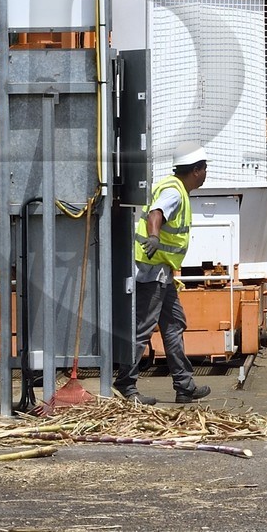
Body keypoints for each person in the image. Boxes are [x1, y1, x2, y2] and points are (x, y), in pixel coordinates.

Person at [115, 147, 212, 405]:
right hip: (152, 270)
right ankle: (126, 385)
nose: (206, 174)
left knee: (174, 324)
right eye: (204, 169)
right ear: (195, 170)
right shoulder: (173, 191)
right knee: (143, 328)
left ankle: (184, 385)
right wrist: (155, 236)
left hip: (162, 272)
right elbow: (156, 213)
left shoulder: (178, 189)